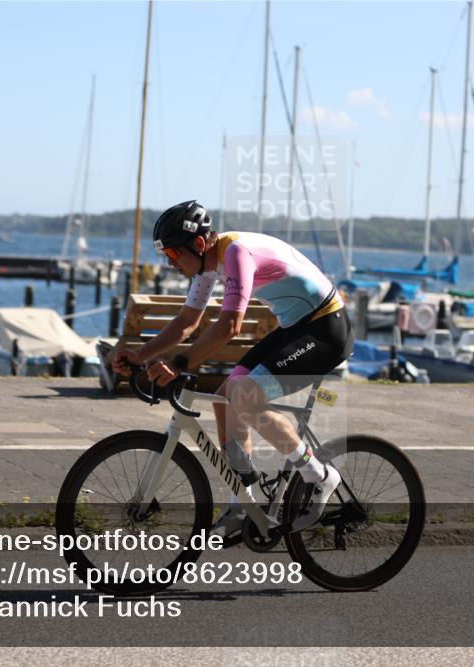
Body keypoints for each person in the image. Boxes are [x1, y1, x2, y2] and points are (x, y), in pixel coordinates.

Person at [113, 200, 354, 539]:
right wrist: (140, 356)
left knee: (245, 395)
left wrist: (179, 363)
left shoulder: (235, 254)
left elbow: (229, 327)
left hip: (326, 329)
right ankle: (244, 500)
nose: (171, 264)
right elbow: (186, 322)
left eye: (172, 255)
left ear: (198, 244)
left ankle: (318, 475)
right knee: (224, 397)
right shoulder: (206, 267)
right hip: (297, 327)